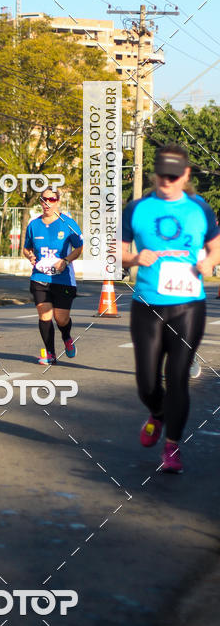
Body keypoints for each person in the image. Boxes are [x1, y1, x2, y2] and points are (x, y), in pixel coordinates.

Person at [122, 143, 220, 473]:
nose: (167, 181)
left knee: (177, 376)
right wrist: (135, 258)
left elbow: (216, 245)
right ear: (155, 174)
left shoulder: (199, 208)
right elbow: (118, 252)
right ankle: (158, 413)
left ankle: (172, 446)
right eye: (162, 175)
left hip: (189, 305)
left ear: (186, 175)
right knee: (147, 383)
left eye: (174, 176)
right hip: (147, 305)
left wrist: (210, 262)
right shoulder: (137, 208)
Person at [22, 187, 83, 365]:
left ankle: (67, 337)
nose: (47, 203)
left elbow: (79, 247)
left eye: (51, 199)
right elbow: (26, 248)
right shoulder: (34, 225)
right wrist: (30, 256)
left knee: (61, 319)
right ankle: (50, 354)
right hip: (40, 277)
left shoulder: (68, 223)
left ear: (58, 202)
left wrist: (65, 260)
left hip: (63, 279)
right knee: (45, 316)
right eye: (44, 199)